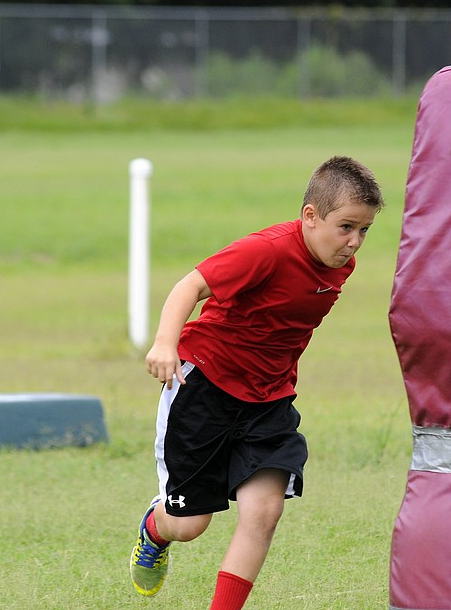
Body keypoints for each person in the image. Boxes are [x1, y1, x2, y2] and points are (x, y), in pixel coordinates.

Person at [128, 155, 385, 609]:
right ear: (310, 216)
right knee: (189, 526)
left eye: (364, 230)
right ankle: (154, 529)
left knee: (265, 511)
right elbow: (190, 285)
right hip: (203, 387)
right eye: (346, 227)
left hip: (269, 400)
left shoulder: (340, 264)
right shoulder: (265, 250)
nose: (354, 242)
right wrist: (165, 343)